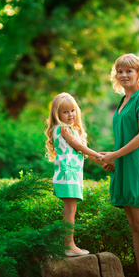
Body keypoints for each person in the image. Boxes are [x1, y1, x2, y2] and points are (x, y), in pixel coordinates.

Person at [100, 54, 139, 277]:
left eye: (129, 71)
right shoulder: (123, 101)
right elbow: (124, 137)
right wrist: (113, 160)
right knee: (135, 227)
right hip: (124, 167)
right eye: (120, 71)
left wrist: (114, 155)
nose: (124, 75)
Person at [45, 92, 112, 257]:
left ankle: (67, 245)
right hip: (68, 176)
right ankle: (69, 246)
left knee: (70, 212)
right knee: (70, 214)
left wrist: (103, 162)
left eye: (72, 110)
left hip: (70, 177)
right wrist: (103, 156)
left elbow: (84, 154)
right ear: (57, 114)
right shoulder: (64, 129)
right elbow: (81, 148)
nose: (70, 115)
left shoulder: (67, 130)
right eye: (65, 112)